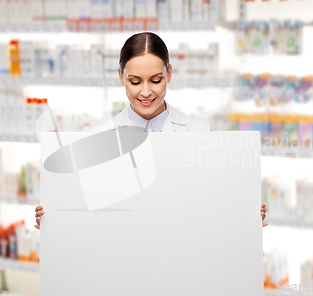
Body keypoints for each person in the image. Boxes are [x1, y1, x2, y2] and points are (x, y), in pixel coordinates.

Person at [34, 32, 268, 229]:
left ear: (169, 73)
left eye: (155, 80)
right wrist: (55, 218)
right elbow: (89, 213)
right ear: (120, 77)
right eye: (135, 82)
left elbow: (211, 203)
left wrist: (244, 214)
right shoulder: (98, 139)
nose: (145, 92)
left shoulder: (199, 134)